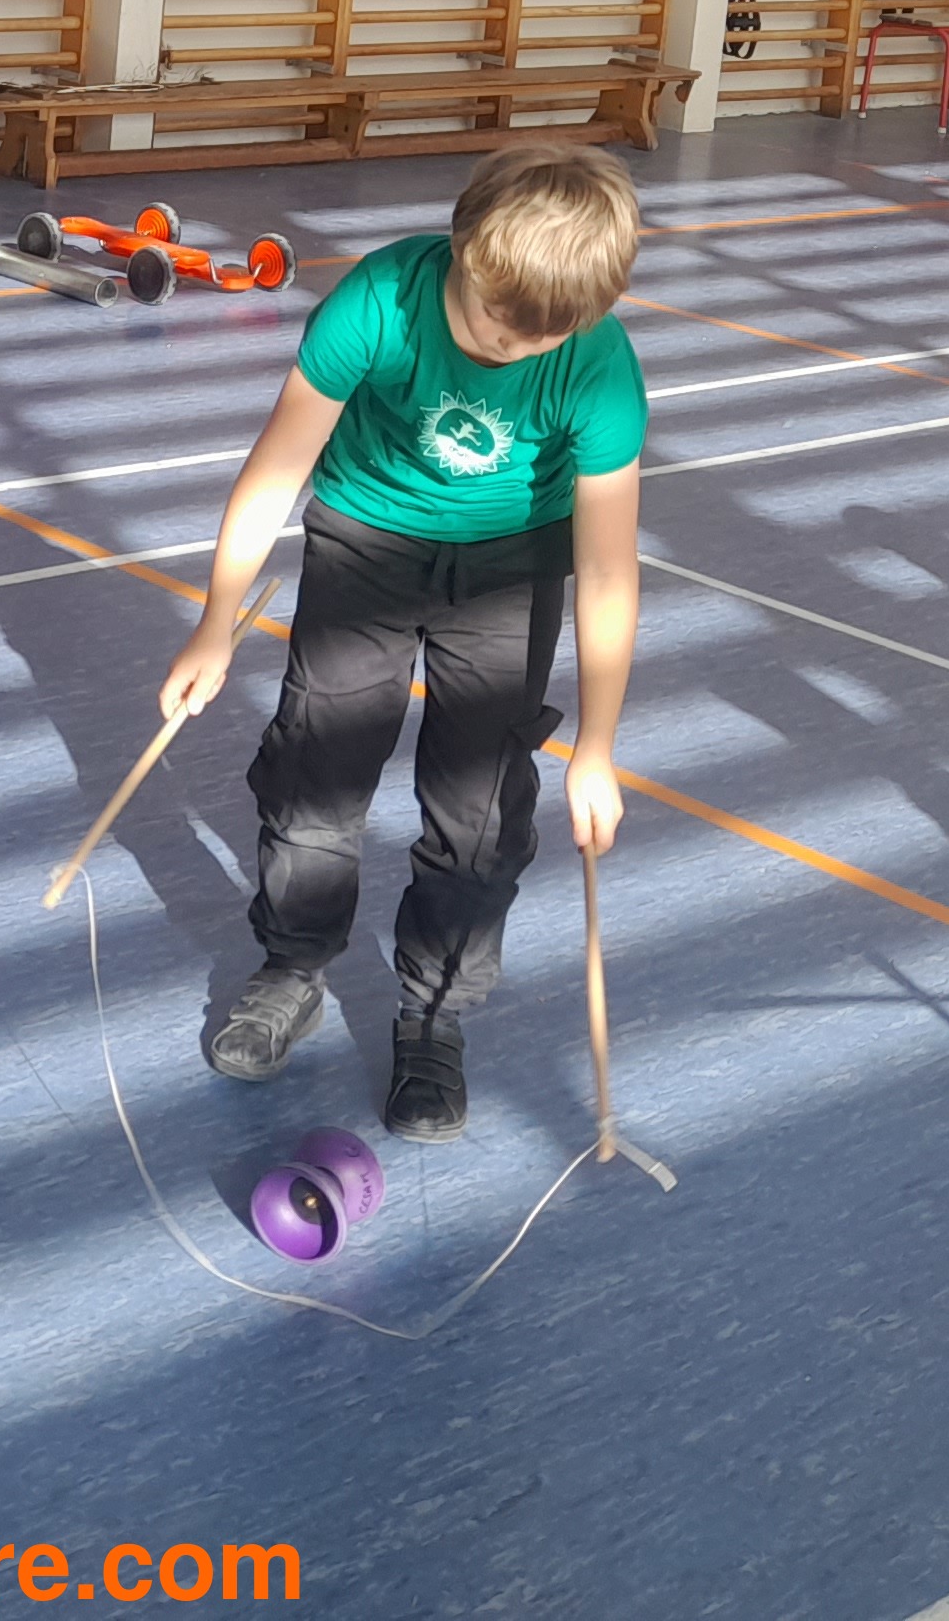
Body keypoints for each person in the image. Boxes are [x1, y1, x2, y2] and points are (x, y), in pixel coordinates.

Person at [155, 143, 646, 1143]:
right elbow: (275, 469)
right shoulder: (378, 301)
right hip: (365, 543)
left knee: (478, 816)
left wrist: (597, 746)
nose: (513, 347)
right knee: (315, 773)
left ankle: (433, 1014)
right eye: (496, 320)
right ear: (462, 250)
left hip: (510, 571)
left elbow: (605, 569)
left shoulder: (598, 368)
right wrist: (215, 623)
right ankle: (292, 966)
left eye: (543, 335)